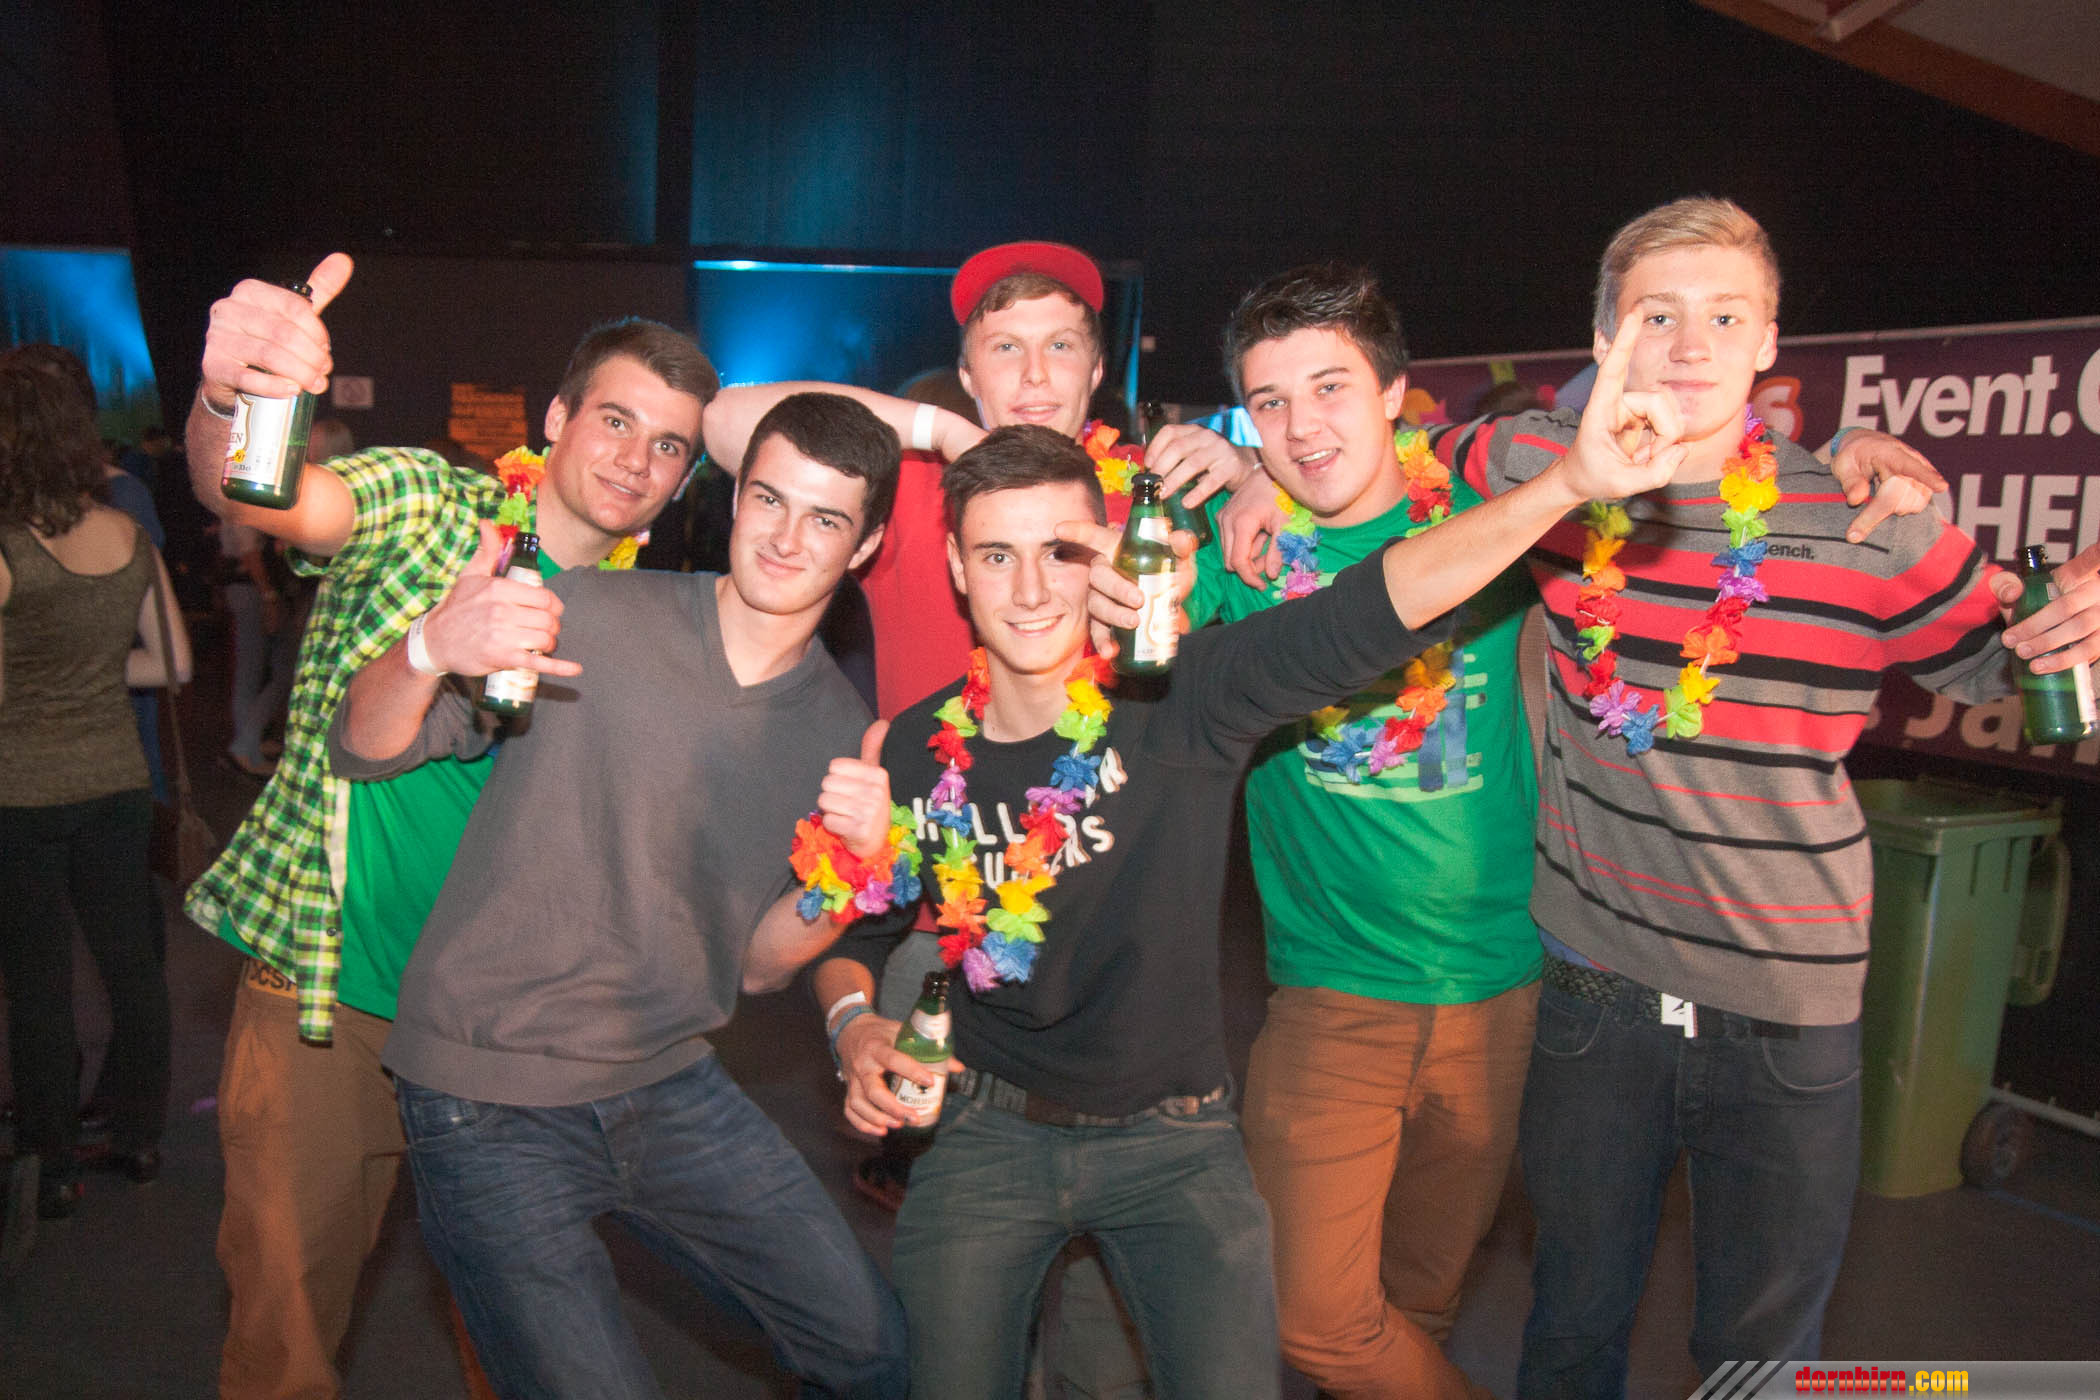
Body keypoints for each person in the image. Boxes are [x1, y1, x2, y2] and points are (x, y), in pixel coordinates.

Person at [803, 407, 1686, 1398]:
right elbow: (860, 928)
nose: (1032, 588)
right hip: (982, 1135)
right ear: (958, 570)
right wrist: (853, 1022)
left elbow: (1369, 610)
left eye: (1062, 550)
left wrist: (1567, 483)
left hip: (1172, 1145)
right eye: (996, 555)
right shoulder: (920, 745)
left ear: (1107, 555)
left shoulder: (1186, 697)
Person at [1424, 197, 2100, 1397]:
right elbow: (1410, 453)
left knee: (1760, 1356)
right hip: (1595, 991)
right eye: (1657, 315)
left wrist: (2078, 618)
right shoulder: (1547, 473)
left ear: (1770, 341)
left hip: (1786, 1014)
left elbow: (2011, 661)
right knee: (1570, 1321)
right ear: (1604, 337)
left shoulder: (1867, 518)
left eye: (1725, 316)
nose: (1691, 345)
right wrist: (1254, 480)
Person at [179, 252, 717, 1399]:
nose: (638, 458)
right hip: (333, 1002)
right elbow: (262, 496)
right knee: (284, 1341)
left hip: (505, 1035)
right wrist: (238, 394)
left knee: (521, 1341)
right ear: (557, 418)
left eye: (670, 444)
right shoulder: (435, 506)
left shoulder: (646, 622)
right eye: (616, 419)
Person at [336, 391, 909, 1398]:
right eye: (769, 500)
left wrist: (852, 875)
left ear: (865, 546)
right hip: (487, 1085)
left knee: (874, 1350)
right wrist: (429, 646)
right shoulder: (590, 610)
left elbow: (755, 964)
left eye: (825, 518)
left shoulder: (839, 726)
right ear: (734, 499)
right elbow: (366, 745)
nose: (785, 538)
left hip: (668, 1081)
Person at [1185, 264, 1541, 1400]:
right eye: (1270, 402)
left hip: (1501, 988)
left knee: (1420, 1303)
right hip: (1332, 995)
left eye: (1330, 387)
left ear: (1394, 392)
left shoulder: (1495, 525)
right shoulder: (1235, 556)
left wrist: (1851, 454)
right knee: (1316, 1323)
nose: (1301, 428)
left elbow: (1692, 478)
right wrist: (1231, 475)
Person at [0, 358, 189, 1270]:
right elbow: (173, 663)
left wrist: (43, 681)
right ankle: (140, 1140)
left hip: (20, 793)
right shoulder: (126, 533)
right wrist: (89, 676)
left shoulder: (7, 548)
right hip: (116, 783)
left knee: (38, 983)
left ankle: (51, 1167)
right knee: (131, 967)